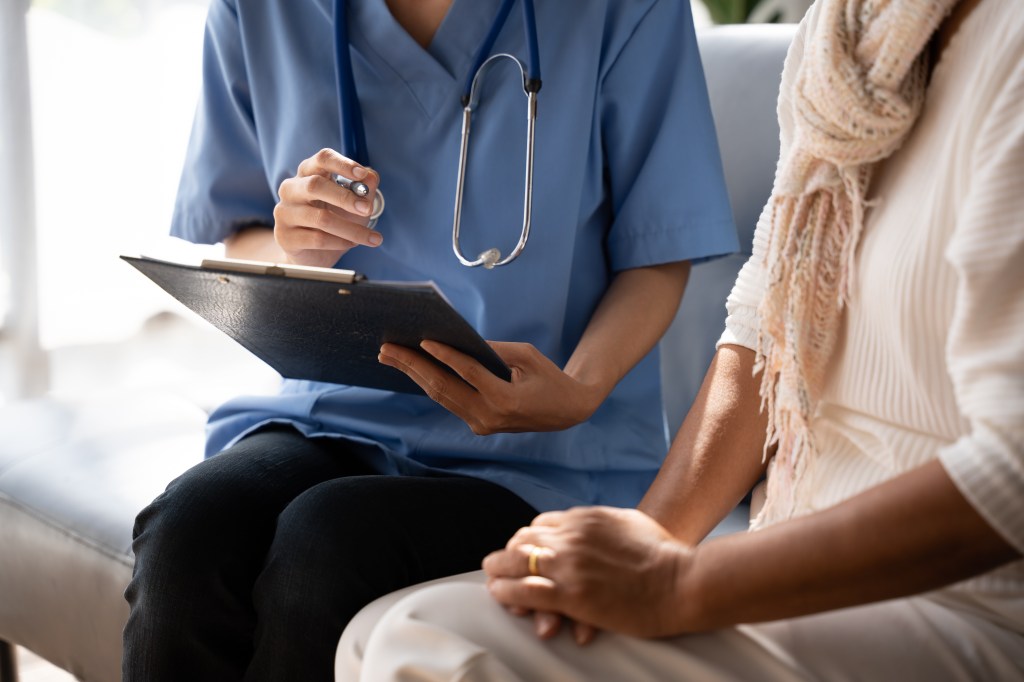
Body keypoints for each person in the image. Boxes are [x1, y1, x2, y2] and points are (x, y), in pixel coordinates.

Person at [340, 0, 1024, 678]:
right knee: (368, 630)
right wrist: (651, 539)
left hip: (965, 604)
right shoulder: (846, 36)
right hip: (783, 544)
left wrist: (680, 587)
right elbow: (769, 318)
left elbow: (1011, 478)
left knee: (429, 642)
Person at [121, 0, 737, 680]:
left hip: (543, 453)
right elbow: (241, 233)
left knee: (327, 544)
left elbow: (658, 251)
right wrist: (293, 242)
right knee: (187, 532)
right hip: (333, 414)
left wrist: (581, 389)